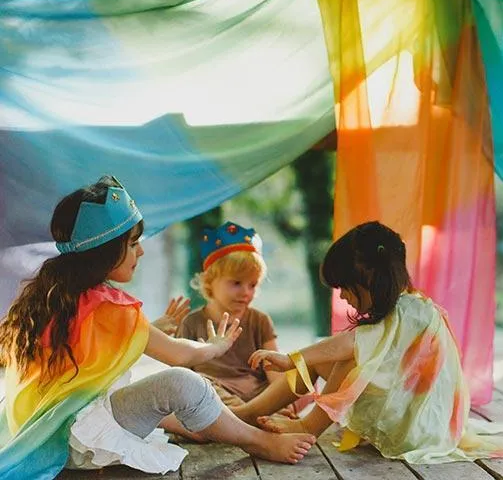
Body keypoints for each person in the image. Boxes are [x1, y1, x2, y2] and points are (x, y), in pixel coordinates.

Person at [0, 176, 315, 479]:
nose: (141, 251)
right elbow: (180, 356)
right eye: (133, 243)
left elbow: (90, 353)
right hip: (82, 440)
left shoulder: (44, 294)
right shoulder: (111, 306)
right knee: (183, 383)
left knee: (138, 389)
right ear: (106, 250)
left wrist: (151, 330)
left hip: (45, 437)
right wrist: (215, 347)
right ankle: (258, 441)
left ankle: (205, 424)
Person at [233, 221, 503, 464]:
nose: (343, 297)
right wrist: (297, 359)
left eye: (345, 286)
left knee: (340, 358)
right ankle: (249, 413)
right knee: (331, 357)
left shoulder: (414, 311)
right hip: (403, 410)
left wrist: (289, 358)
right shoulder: (404, 310)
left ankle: (302, 425)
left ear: (371, 277)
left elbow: (349, 347)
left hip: (415, 427)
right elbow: (351, 347)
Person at [175, 222, 304, 415]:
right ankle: (247, 415)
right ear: (209, 280)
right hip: (215, 393)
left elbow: (274, 373)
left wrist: (282, 399)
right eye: (236, 283)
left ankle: (248, 416)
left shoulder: (260, 320)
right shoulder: (191, 322)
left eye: (252, 285)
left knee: (304, 378)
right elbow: (180, 374)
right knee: (200, 384)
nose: (246, 292)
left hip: (257, 392)